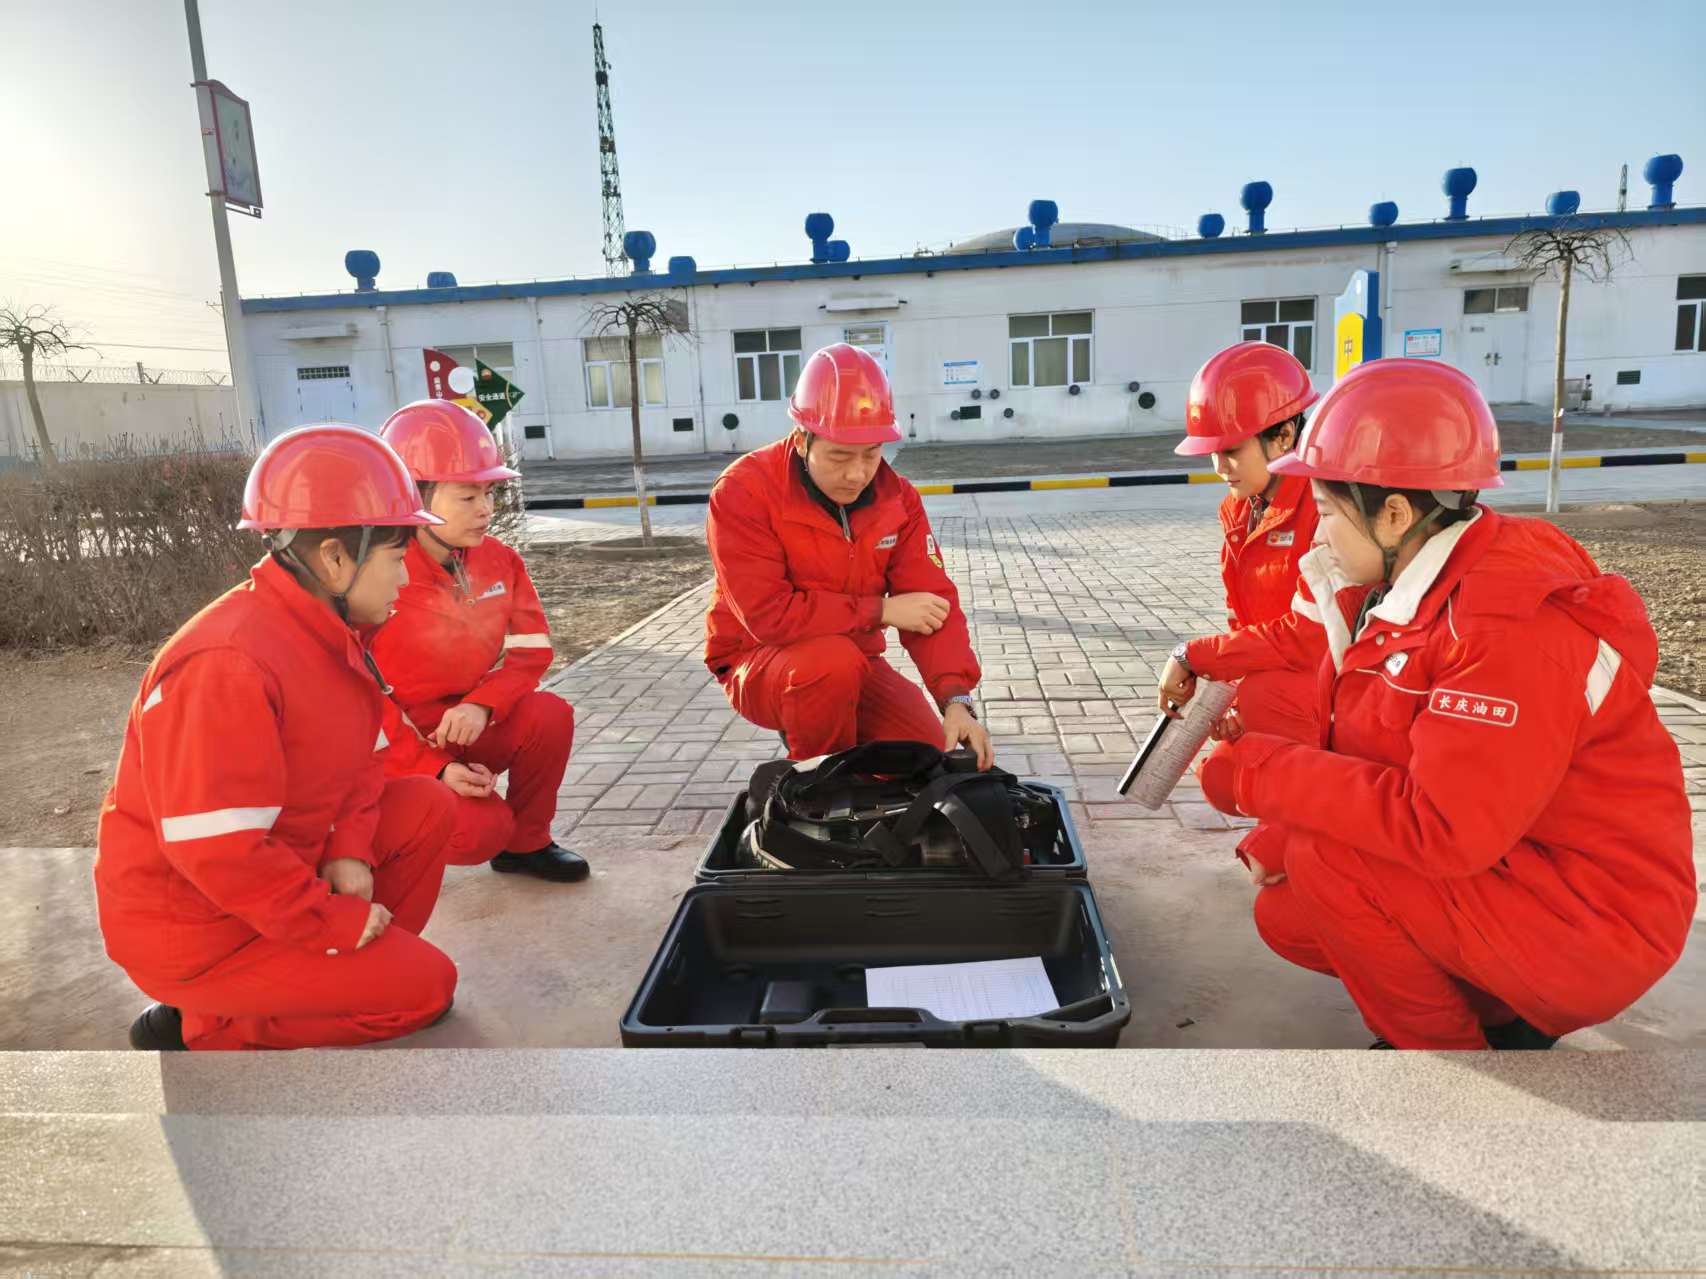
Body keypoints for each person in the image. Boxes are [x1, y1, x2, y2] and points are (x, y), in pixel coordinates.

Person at [1196, 359, 1696, 1049]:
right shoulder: (1410, 587)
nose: (1319, 535)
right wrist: (1276, 827)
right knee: (1292, 912)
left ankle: (1452, 1063)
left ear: (1395, 515)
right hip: (1528, 867)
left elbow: (1442, 825)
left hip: (1597, 920)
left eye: (1330, 513)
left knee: (1330, 865)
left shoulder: (1504, 626)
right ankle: (1495, 1001)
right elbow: (1386, 751)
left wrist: (1259, 772)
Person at [95, 425, 461, 1051]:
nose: (405, 578)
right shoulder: (227, 663)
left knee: (427, 806)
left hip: (274, 880)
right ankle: (206, 1021)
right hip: (202, 931)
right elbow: (217, 849)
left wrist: (349, 849)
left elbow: (365, 763)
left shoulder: (327, 633)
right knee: (428, 990)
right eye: (397, 558)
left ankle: (340, 975)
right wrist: (330, 919)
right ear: (336, 559)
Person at [704, 342, 991, 766]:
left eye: (871, 454)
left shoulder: (898, 500)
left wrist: (955, 698)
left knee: (929, 756)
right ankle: (814, 786)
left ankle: (855, 775)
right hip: (758, 658)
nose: (857, 474)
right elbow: (767, 615)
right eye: (839, 456)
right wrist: (881, 610)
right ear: (801, 440)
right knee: (829, 668)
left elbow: (931, 603)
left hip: (857, 661)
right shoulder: (745, 492)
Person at [371, 400, 587, 883]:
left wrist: (483, 705)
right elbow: (358, 697)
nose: (486, 509)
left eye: (489, 493)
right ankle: (375, 846)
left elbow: (530, 650)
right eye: (467, 497)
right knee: (476, 833)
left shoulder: (500, 561)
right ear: (414, 495)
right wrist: (432, 767)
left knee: (549, 715)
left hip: (466, 722)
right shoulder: (375, 574)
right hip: (395, 743)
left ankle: (527, 845)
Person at [1155, 341, 1324, 877]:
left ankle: (1314, 835)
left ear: (1284, 435)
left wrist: (1195, 656)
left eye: (1231, 451)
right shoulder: (1240, 508)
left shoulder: (1326, 508)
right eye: (1213, 452)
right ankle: (1297, 824)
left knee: (1265, 702)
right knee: (1221, 775)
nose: (1220, 467)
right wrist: (1226, 692)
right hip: (1291, 679)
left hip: (1341, 686)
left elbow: (1312, 637)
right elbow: (1245, 622)